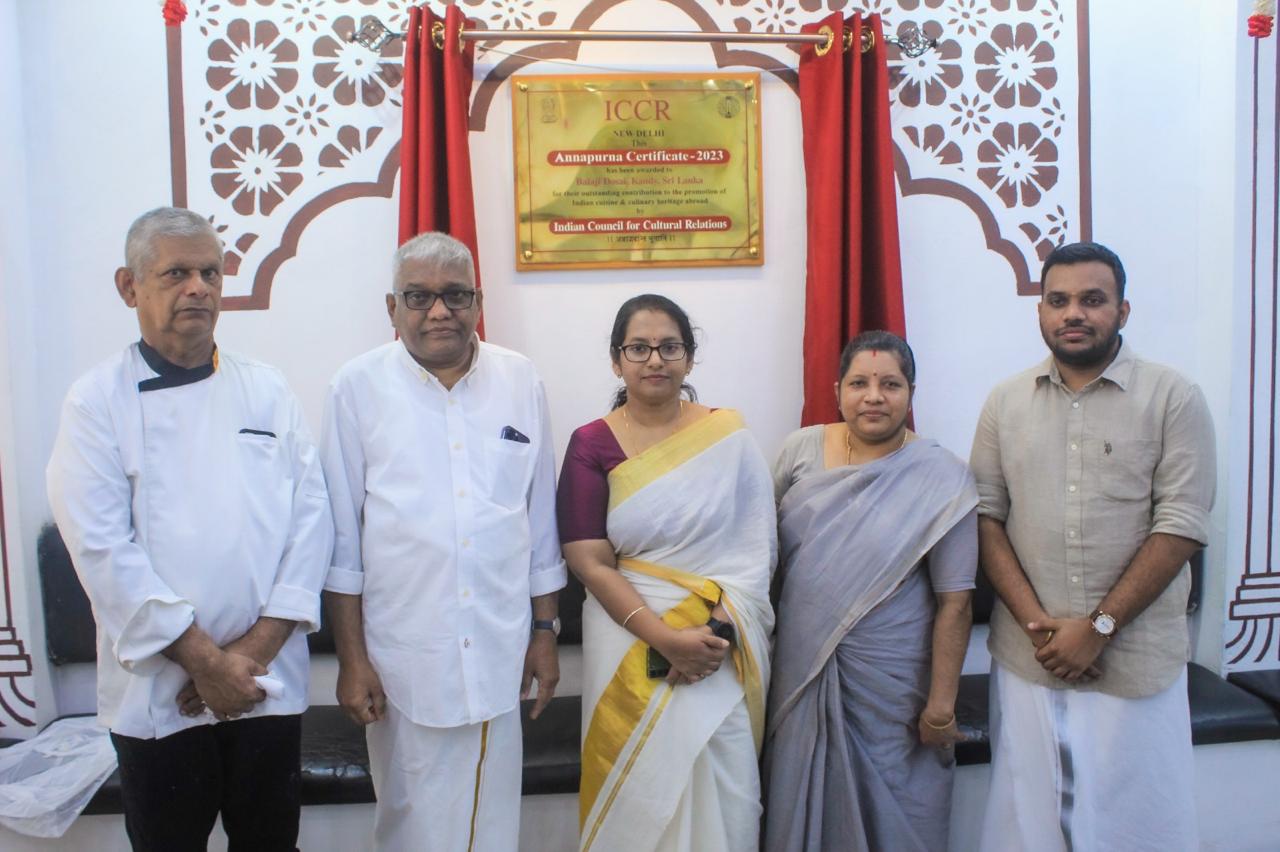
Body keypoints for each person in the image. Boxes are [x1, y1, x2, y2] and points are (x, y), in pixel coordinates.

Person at [46, 207, 333, 851]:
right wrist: (205, 663)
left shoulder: (267, 390)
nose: (198, 287)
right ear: (129, 288)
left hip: (264, 685)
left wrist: (248, 658)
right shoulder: (96, 403)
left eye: (209, 271)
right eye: (176, 273)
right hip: (159, 697)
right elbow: (100, 549)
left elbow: (311, 521)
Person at [320, 231, 566, 851]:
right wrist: (353, 660)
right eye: (419, 296)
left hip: (494, 648)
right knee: (406, 818)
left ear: (478, 301)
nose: (439, 311)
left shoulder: (520, 380)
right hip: (403, 656)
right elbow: (342, 542)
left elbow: (540, 526)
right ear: (391, 307)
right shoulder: (356, 387)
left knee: (489, 825)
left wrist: (545, 633)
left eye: (455, 295)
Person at [972, 241, 1216, 851]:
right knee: (1028, 819)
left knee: (1139, 823)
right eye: (1058, 301)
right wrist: (1038, 625)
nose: (1073, 313)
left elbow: (1182, 524)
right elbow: (985, 519)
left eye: (1092, 300)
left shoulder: (1173, 398)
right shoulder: (1005, 402)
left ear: (1123, 311)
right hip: (1030, 657)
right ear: (1040, 313)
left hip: (1135, 659)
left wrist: (1100, 627)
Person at [557, 294, 775, 852]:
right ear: (616, 360)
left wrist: (713, 635)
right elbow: (587, 557)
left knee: (721, 779)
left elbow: (756, 547)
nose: (655, 359)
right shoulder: (591, 444)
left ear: (689, 358)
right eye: (639, 348)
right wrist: (664, 639)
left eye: (669, 347)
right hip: (627, 634)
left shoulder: (729, 436)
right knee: (635, 792)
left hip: (715, 644)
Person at [763, 330, 978, 852]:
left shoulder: (941, 475)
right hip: (802, 665)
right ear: (838, 389)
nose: (874, 396)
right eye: (859, 383)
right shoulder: (800, 450)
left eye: (890, 384)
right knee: (798, 794)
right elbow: (762, 557)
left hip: (893, 680)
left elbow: (956, 600)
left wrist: (941, 708)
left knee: (899, 806)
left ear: (911, 393)